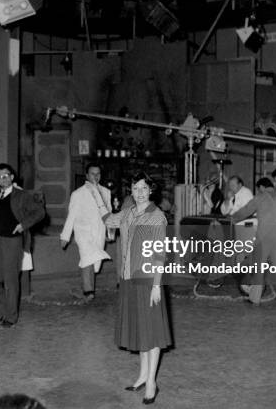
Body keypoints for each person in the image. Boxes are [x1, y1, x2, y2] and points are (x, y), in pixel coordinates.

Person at [105, 172, 172, 405]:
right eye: (135, 189)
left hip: (147, 280)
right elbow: (109, 220)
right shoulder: (129, 212)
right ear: (130, 192)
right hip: (128, 278)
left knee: (151, 332)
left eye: (144, 188)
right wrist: (105, 205)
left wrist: (156, 285)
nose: (140, 193)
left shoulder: (157, 217)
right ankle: (142, 376)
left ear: (151, 190)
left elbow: (160, 255)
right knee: (140, 330)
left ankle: (152, 382)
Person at [231, 177, 276, 306]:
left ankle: (255, 299)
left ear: (263, 188)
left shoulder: (260, 198)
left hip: (262, 239)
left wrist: (233, 218)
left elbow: (245, 211)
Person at [0, 163, 45, 328]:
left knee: (10, 281)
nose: (2, 179)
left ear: (12, 177)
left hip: (13, 242)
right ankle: (1, 310)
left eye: (6, 175)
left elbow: (40, 212)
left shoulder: (22, 195)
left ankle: (11, 317)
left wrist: (23, 225)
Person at [60, 163, 112, 302]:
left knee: (93, 262)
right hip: (83, 232)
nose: (95, 176)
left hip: (99, 232)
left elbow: (109, 213)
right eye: (92, 173)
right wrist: (65, 236)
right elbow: (71, 216)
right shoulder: (78, 194)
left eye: (98, 174)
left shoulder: (106, 192)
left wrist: (109, 232)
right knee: (88, 258)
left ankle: (84, 287)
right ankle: (89, 292)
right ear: (87, 175)